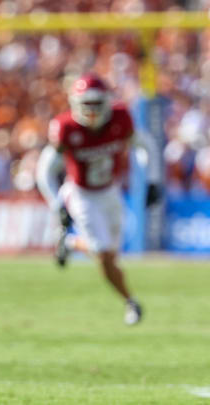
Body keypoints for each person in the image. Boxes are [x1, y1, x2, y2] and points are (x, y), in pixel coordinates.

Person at [35, 73, 162, 326]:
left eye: (96, 104)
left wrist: (152, 180)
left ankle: (70, 243)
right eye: (86, 104)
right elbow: (45, 171)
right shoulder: (66, 128)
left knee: (110, 256)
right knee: (104, 256)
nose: (91, 111)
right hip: (81, 194)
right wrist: (57, 205)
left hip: (110, 191)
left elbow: (146, 145)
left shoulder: (120, 118)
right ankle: (131, 302)